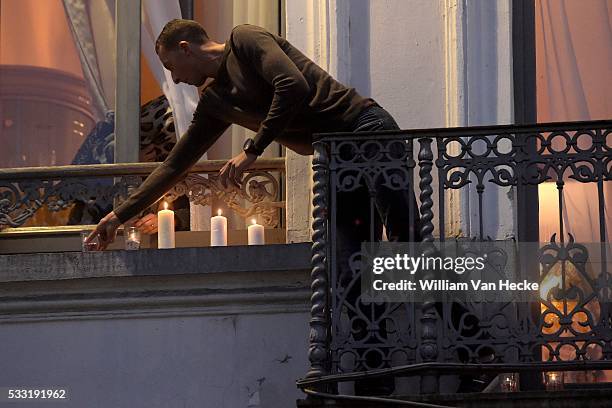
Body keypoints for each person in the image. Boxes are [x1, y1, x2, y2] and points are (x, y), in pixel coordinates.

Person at [86, 19, 420, 394]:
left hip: (366, 130)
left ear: (185, 47)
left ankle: (480, 348)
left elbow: (292, 85)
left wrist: (252, 149)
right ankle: (375, 384)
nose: (175, 80)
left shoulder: (245, 40)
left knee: (408, 247)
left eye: (170, 68)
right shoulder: (216, 102)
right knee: (350, 271)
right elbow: (173, 166)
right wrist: (117, 217)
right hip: (338, 158)